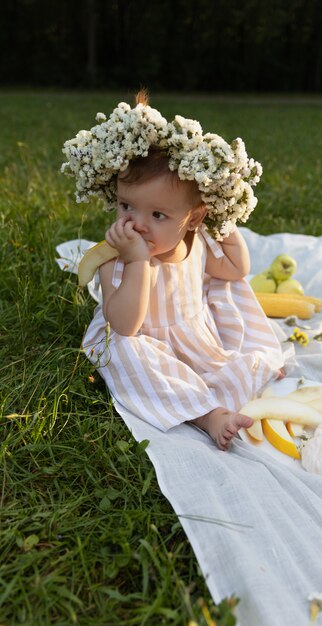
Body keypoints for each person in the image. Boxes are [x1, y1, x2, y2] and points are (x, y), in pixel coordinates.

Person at [61, 90, 287, 450]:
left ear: (192, 219)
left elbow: (235, 269)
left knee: (231, 292)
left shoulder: (195, 243)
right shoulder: (113, 260)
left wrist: (224, 214)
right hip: (146, 346)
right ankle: (205, 414)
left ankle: (249, 371)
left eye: (158, 215)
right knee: (123, 353)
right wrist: (137, 261)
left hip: (195, 338)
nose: (137, 223)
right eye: (126, 206)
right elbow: (124, 326)